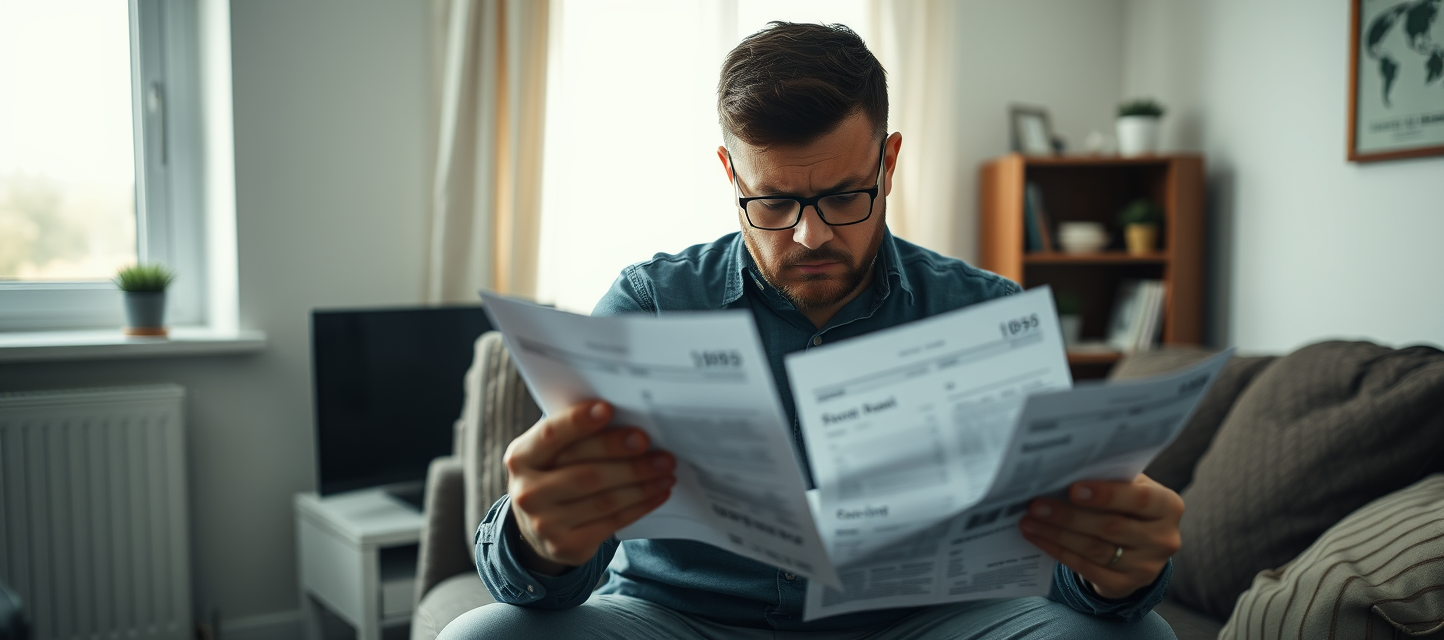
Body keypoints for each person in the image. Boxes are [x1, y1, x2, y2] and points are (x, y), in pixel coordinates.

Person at [443, 22, 1181, 640]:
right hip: (683, 619)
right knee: (479, 635)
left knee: (1140, 634)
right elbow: (536, 575)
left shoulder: (986, 312)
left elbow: (1060, 565)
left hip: (924, 624)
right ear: (731, 173)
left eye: (842, 196)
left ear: (888, 163)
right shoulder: (651, 304)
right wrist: (538, 544)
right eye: (772, 202)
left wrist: (1115, 570)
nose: (808, 236)